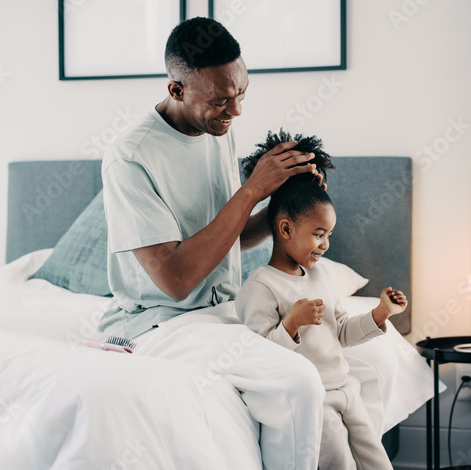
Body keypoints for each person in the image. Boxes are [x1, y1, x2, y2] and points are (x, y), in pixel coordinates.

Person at [97, 18, 325, 469]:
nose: (235, 111)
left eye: (241, 94)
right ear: (177, 90)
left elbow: (222, 242)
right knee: (298, 382)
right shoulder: (130, 157)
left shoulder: (216, 128)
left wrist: (280, 205)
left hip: (222, 311)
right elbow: (177, 279)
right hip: (159, 323)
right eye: (221, 100)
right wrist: (250, 190)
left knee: (327, 356)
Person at [235, 130, 408, 470]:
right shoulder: (260, 286)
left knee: (377, 460)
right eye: (318, 235)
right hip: (318, 399)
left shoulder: (323, 275)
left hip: (346, 387)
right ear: (285, 230)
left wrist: (381, 313)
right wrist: (291, 324)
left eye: (328, 234)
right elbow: (258, 355)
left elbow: (341, 330)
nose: (326, 245)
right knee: (339, 462)